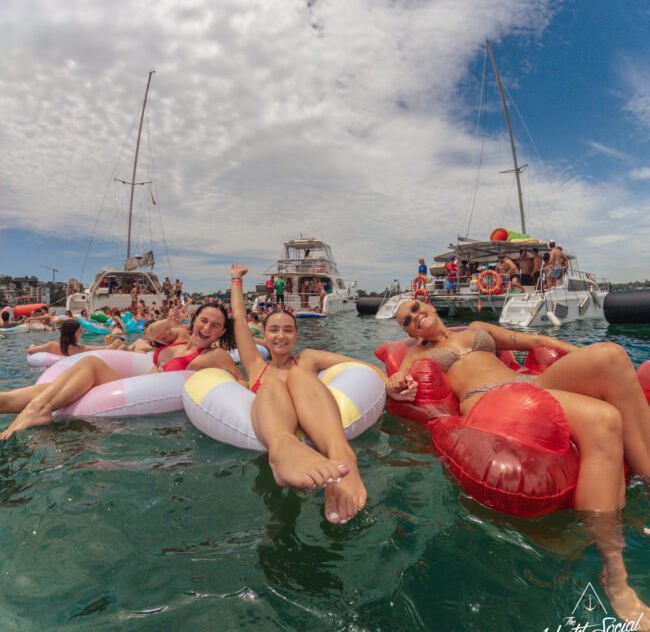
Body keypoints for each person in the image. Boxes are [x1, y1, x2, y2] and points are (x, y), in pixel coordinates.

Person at [387, 299, 650, 625]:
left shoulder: (477, 330)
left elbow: (537, 341)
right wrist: (396, 383)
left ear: (425, 301)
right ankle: (614, 571)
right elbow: (399, 376)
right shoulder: (419, 352)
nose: (414, 317)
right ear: (408, 331)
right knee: (604, 419)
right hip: (490, 400)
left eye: (414, 308)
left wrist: (577, 352)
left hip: (529, 383)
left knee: (611, 354)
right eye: (406, 321)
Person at [230, 264, 413, 526]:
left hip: (317, 418)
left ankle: (342, 454)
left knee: (299, 375)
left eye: (288, 330)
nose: (281, 336)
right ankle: (282, 450)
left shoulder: (307, 358)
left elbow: (358, 366)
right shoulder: (256, 367)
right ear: (264, 335)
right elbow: (238, 319)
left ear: (295, 335)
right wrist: (236, 280)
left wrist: (389, 384)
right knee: (272, 385)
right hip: (276, 424)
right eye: (274, 330)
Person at [0, 304, 244, 441]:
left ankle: (37, 412)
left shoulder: (214, 355)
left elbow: (238, 380)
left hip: (144, 394)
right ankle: (5, 401)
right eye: (203, 320)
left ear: (222, 333)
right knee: (56, 386)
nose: (207, 328)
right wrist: (171, 320)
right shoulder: (179, 337)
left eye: (215, 326)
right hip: (133, 382)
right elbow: (152, 335)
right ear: (194, 321)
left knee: (90, 364)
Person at [27, 319, 125, 357]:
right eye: (80, 331)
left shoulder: (52, 345)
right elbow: (104, 350)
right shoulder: (79, 349)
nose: (82, 333)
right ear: (72, 333)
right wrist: (115, 343)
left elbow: (30, 350)